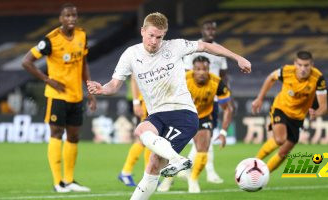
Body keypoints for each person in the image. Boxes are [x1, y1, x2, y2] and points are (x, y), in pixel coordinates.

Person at [87, 12, 251, 200]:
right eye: (151, 35)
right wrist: (102, 89)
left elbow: (206, 46)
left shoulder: (175, 47)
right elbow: (114, 85)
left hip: (183, 114)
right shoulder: (131, 54)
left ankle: (176, 159)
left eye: (159, 36)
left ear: (164, 35)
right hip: (157, 115)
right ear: (142, 31)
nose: (155, 41)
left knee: (148, 146)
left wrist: (238, 57)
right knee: (150, 156)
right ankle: (176, 160)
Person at [21, 3, 96, 193]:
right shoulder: (50, 40)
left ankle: (69, 180)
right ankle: (58, 183)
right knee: (56, 134)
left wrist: (90, 91)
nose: (71, 19)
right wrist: (48, 80)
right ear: (61, 19)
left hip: (76, 96)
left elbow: (84, 64)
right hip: (57, 96)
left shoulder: (82, 35)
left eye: (74, 15)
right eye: (67, 16)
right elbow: (26, 62)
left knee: (74, 136)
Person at [157, 56, 233, 193]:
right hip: (181, 116)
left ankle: (193, 179)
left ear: (209, 70)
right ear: (193, 70)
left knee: (203, 149)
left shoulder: (217, 82)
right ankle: (168, 178)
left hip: (203, 117)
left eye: (205, 69)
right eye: (198, 69)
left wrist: (223, 133)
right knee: (171, 149)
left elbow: (228, 108)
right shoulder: (182, 79)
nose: (202, 72)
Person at [252, 51, 327, 172]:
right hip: (281, 108)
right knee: (280, 140)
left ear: (312, 65)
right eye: (300, 65)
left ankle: (264, 174)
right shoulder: (286, 71)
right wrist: (260, 98)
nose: (303, 69)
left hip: (298, 118)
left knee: (284, 152)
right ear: (295, 64)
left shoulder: (318, 78)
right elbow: (271, 78)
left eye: (306, 65)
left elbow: (323, 106)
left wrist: (316, 113)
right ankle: (253, 162)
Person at [182, 20, 229, 184]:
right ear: (202, 30)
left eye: (213, 29)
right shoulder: (194, 48)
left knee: (207, 136)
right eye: (208, 28)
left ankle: (204, 170)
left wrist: (227, 94)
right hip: (194, 99)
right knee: (203, 137)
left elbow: (223, 75)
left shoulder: (219, 50)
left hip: (214, 97)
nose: (211, 31)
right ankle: (204, 171)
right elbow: (187, 74)